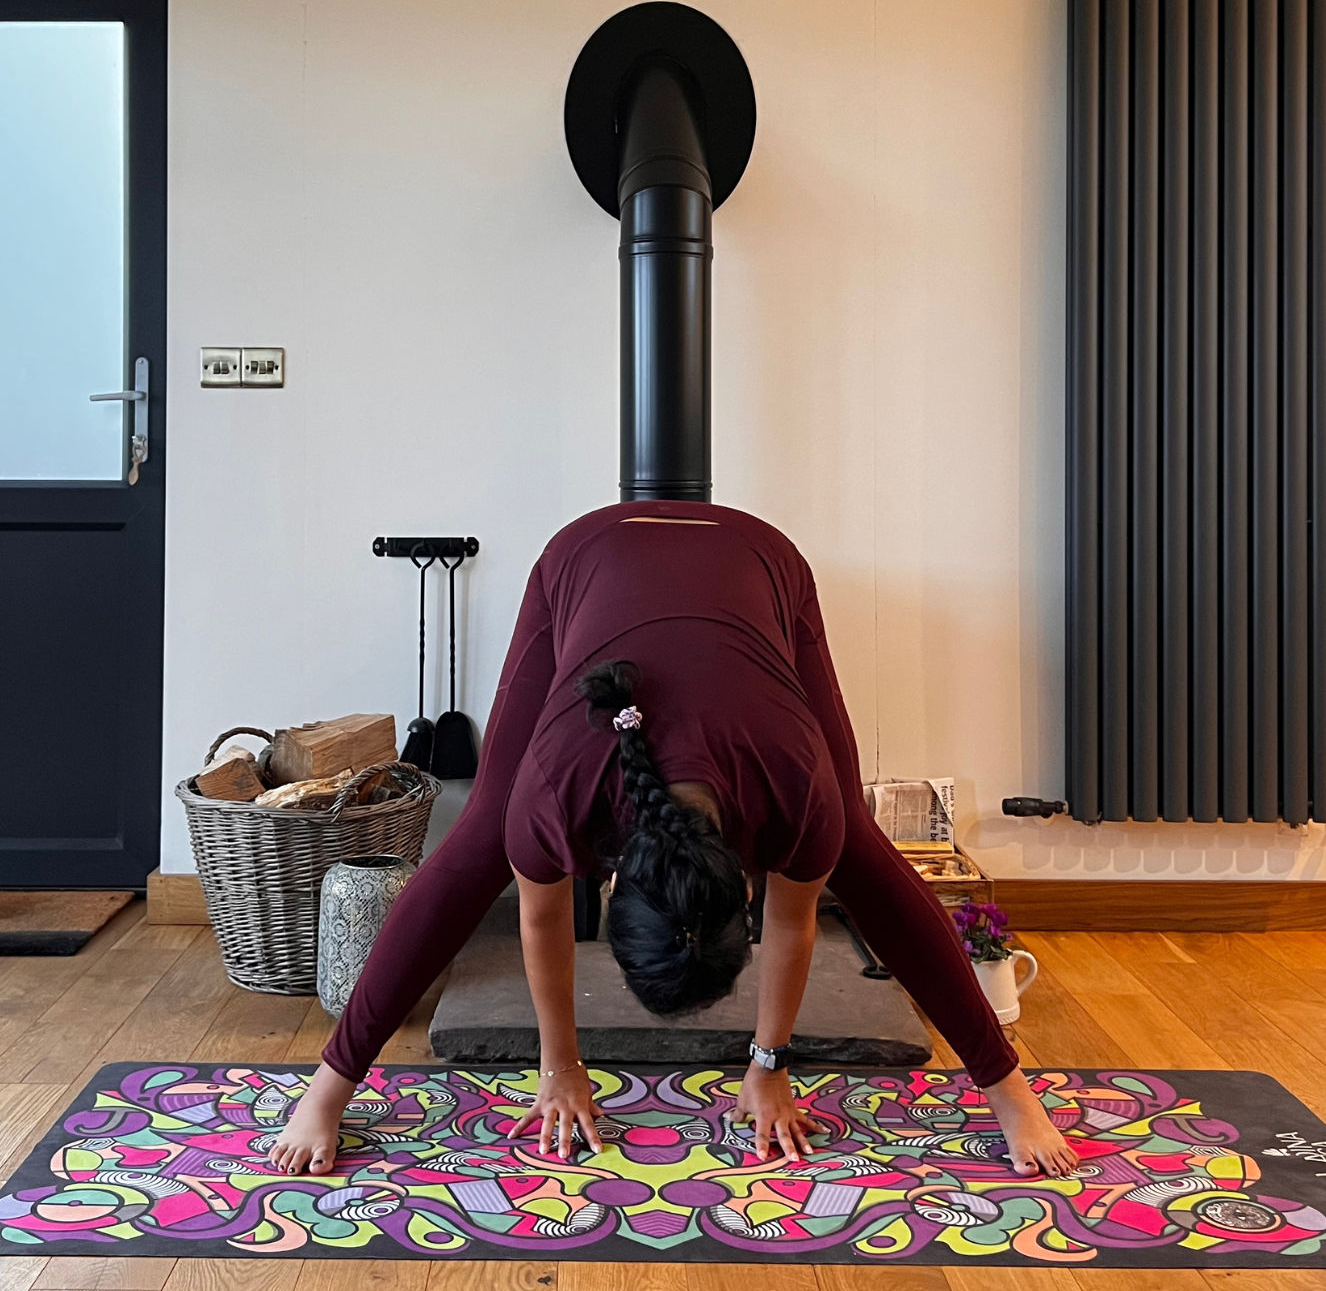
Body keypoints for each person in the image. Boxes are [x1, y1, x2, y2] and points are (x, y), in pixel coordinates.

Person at [270, 502, 1077, 1179]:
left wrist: (770, 1067)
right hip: (585, 557)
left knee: (857, 847)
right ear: (613, 882)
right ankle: (328, 1087)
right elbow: (540, 919)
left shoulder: (798, 788)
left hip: (762, 561)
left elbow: (796, 922)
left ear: (744, 887)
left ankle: (1010, 1091)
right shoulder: (555, 790)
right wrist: (559, 1068)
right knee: (484, 834)